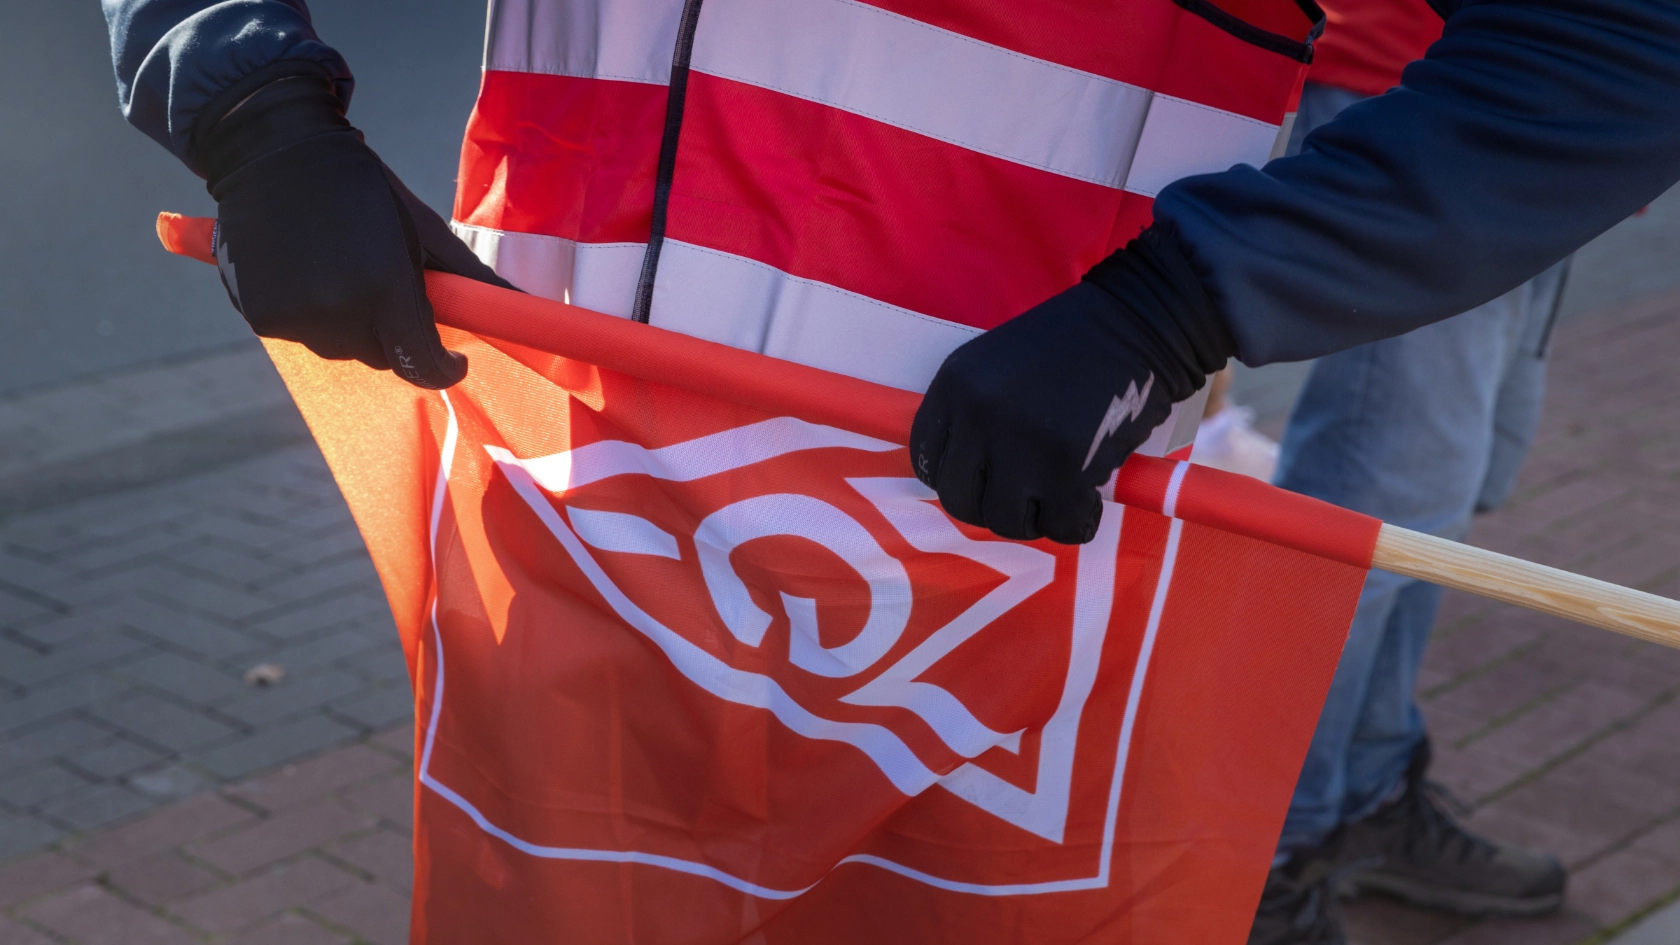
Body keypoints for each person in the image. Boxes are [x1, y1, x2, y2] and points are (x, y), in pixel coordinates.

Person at [106, 0, 1680, 941]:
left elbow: (1617, 41)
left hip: (1000, 523)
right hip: (570, 491)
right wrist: (237, 85)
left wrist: (1193, 295)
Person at [1247, 2, 1576, 941]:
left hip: (1562, 112)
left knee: (1435, 507)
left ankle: (1361, 794)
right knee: (1374, 505)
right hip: (1443, 88)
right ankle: (1266, 850)